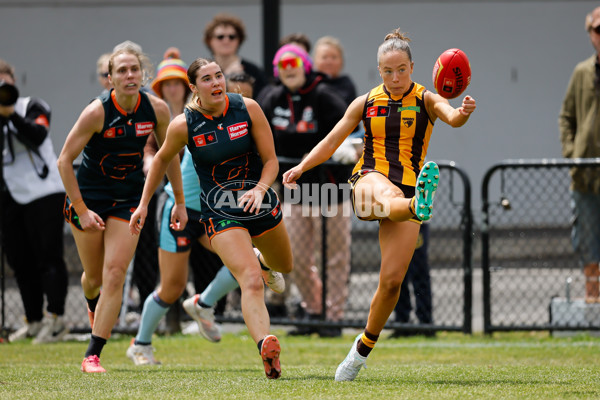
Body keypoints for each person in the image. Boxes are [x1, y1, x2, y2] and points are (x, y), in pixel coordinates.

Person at [282, 28, 476, 381]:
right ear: (379, 71)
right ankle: (417, 205)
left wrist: (463, 111)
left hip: (407, 190)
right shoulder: (366, 101)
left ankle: (359, 353)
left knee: (390, 283)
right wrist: (301, 166)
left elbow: (451, 117)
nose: (395, 77)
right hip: (368, 179)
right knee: (386, 194)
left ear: (413, 67)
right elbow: (331, 141)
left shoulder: (427, 99)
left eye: (401, 69)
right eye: (388, 71)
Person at [129, 58, 293, 379]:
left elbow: (271, 160)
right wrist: (146, 204)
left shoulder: (247, 108)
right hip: (212, 212)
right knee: (241, 277)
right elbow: (162, 159)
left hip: (255, 204)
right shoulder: (182, 124)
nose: (217, 82)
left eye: (219, 76)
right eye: (208, 78)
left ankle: (206, 301)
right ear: (194, 88)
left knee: (282, 265)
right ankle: (264, 345)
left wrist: (260, 189)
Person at [56, 46, 179, 373]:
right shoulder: (97, 112)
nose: (129, 75)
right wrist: (81, 209)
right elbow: (64, 161)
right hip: (89, 200)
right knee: (94, 279)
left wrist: (179, 200)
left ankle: (92, 355)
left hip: (127, 200)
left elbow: (168, 158)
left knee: (115, 274)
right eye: (122, 70)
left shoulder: (156, 109)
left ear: (142, 74)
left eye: (134, 69)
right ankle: (92, 303)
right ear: (110, 78)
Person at [257, 44, 352, 337]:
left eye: (295, 63)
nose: (289, 69)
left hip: (329, 190)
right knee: (294, 257)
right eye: (283, 64)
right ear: (277, 70)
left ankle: (333, 317)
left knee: (334, 257)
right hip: (294, 192)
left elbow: (351, 127)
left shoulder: (324, 95)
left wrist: (349, 147)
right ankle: (313, 310)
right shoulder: (271, 98)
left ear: (306, 65)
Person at [0, 59, 69, 344]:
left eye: (5, 83)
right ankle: (34, 319)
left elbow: (38, 134)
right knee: (19, 260)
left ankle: (57, 319)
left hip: (43, 192)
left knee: (48, 257)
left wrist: (9, 115)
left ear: (14, 82)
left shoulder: (32, 106)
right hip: (9, 195)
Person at [559, 6, 600, 304]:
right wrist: (573, 154)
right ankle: (592, 298)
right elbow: (566, 117)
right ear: (590, 34)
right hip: (585, 173)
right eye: (599, 30)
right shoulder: (582, 72)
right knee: (587, 237)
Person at [204, 13, 267, 96]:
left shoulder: (253, 71)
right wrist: (227, 76)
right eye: (220, 37)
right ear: (209, 40)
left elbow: (264, 101)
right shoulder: (203, 70)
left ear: (239, 40)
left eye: (232, 37)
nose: (226, 41)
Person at [391, 223, 434, 337]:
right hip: (392, 222)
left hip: (416, 219)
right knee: (396, 275)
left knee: (419, 272)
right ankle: (401, 323)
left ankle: (426, 324)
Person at [313, 36, 357, 106]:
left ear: (342, 61)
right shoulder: (309, 84)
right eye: (324, 57)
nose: (329, 62)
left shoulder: (347, 85)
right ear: (315, 60)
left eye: (334, 57)